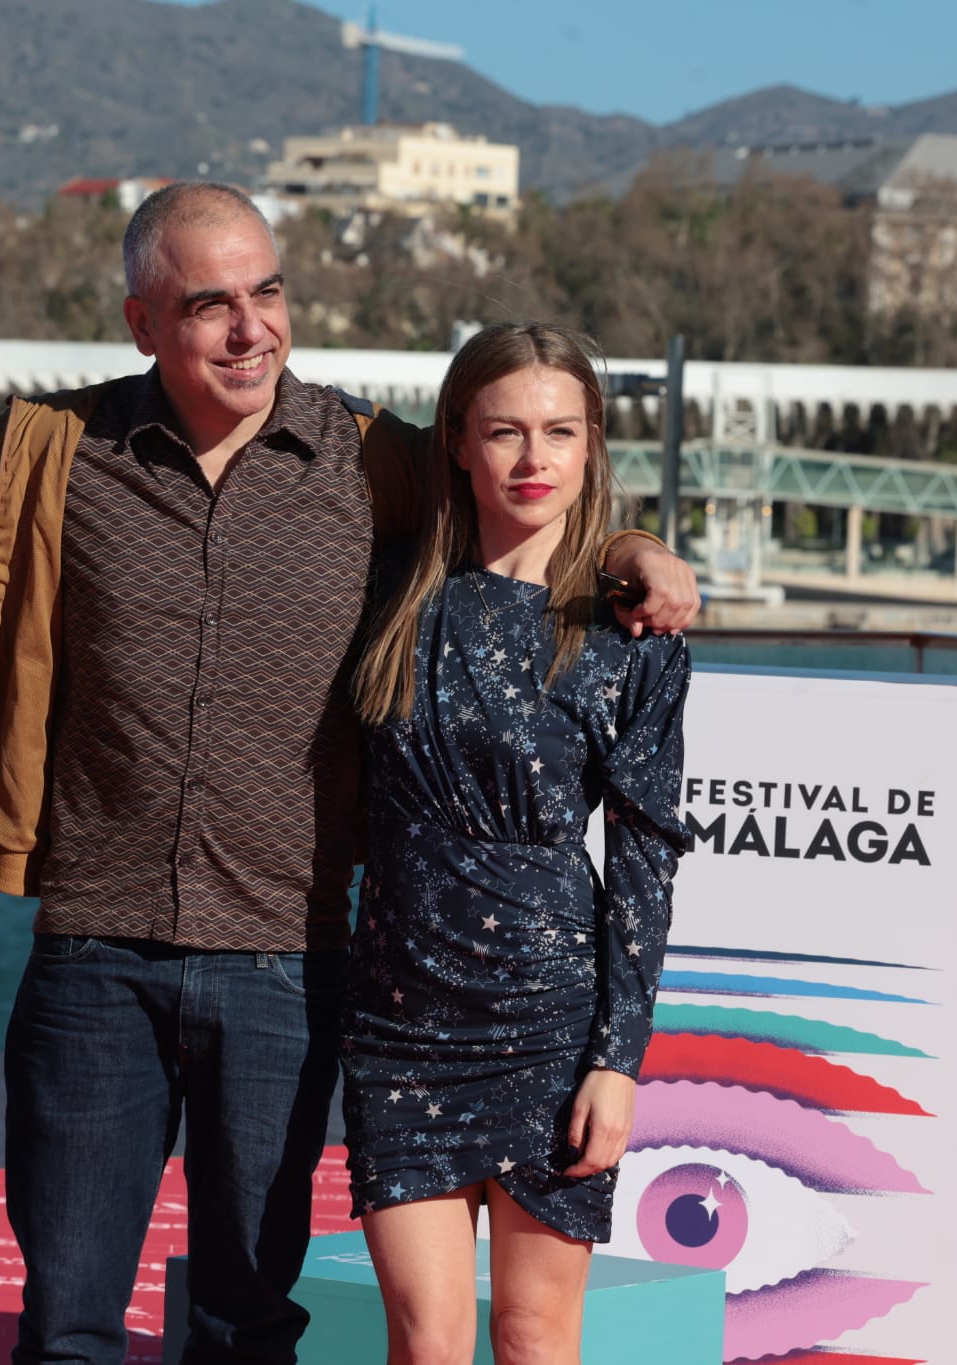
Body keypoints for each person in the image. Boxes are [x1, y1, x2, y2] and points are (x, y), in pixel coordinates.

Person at [0, 183, 700, 1365]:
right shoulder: (50, 449)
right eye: (209, 305)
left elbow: (511, 485)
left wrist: (631, 549)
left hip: (287, 972)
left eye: (267, 295)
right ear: (143, 322)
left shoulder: (367, 460)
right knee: (69, 1323)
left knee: (243, 1326)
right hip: (93, 962)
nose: (250, 330)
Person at [342, 322, 691, 1365]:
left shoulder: (629, 630)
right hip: (397, 1021)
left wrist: (616, 1064)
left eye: (558, 432)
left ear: (590, 446)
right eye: (503, 432)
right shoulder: (385, 590)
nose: (532, 460)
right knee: (425, 1340)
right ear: (456, 440)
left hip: (549, 1020)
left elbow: (642, 863)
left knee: (536, 1338)